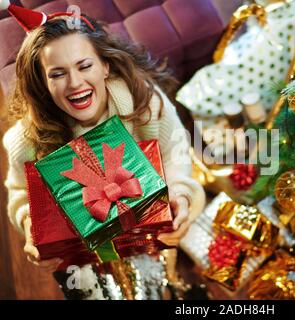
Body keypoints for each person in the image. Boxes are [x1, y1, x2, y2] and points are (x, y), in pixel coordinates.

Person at [1, 3, 205, 299]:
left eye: (84, 66)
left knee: (154, 287)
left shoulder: (143, 100)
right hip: (83, 251)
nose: (75, 83)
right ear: (42, 82)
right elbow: (21, 193)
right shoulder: (26, 139)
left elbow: (175, 151)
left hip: (146, 231)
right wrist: (31, 224)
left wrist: (179, 192)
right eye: (57, 74)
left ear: (105, 66)